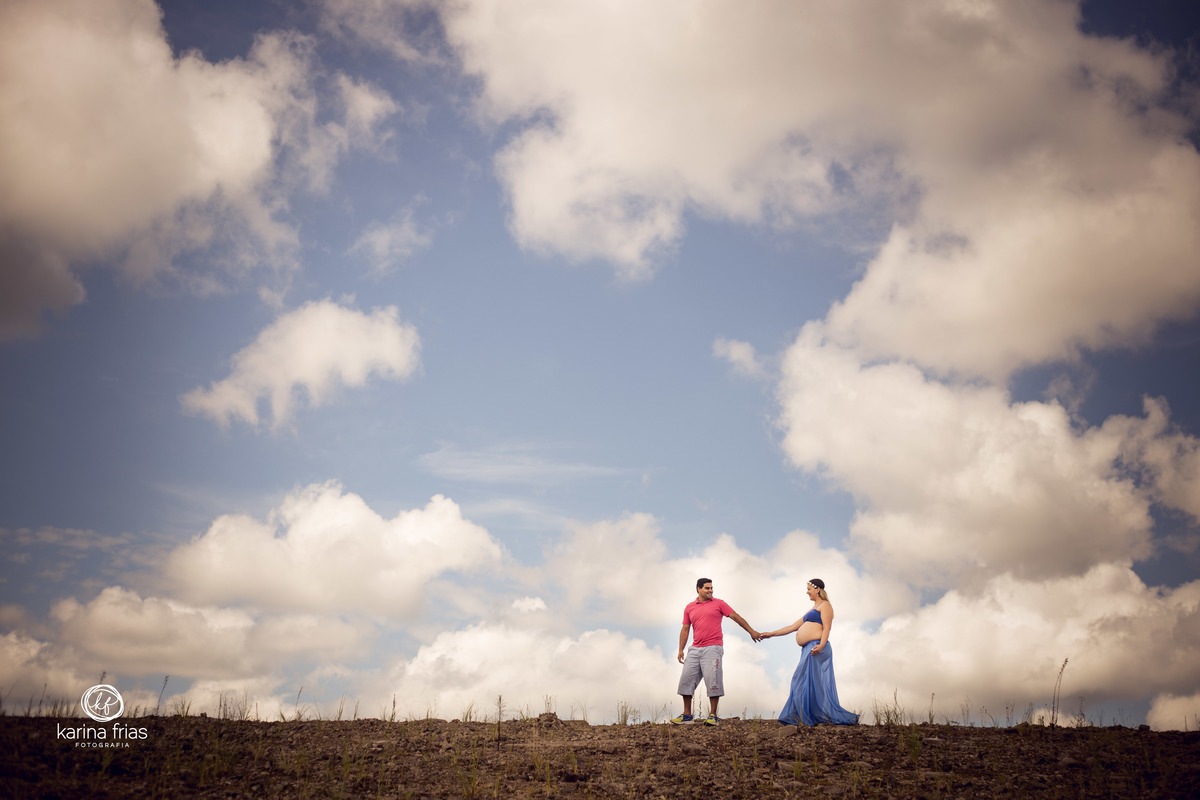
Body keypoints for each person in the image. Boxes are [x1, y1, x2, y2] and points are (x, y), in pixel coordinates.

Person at [761, 578, 858, 726]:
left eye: (809, 589)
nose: (807, 592)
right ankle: (803, 716)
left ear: (817, 589)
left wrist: (821, 645)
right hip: (808, 648)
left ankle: (805, 717)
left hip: (816, 647)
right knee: (803, 681)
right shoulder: (813, 609)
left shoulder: (825, 605)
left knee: (803, 681)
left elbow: (827, 627)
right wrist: (771, 634)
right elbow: (792, 627)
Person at [671, 577, 762, 726]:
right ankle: (687, 715)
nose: (711, 591)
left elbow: (735, 617)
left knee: (713, 681)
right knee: (685, 681)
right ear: (698, 589)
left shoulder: (719, 603)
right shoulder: (689, 607)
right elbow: (685, 629)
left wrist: (751, 631)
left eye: (711, 588)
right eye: (707, 588)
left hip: (713, 648)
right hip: (694, 649)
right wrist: (681, 649)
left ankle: (713, 716)